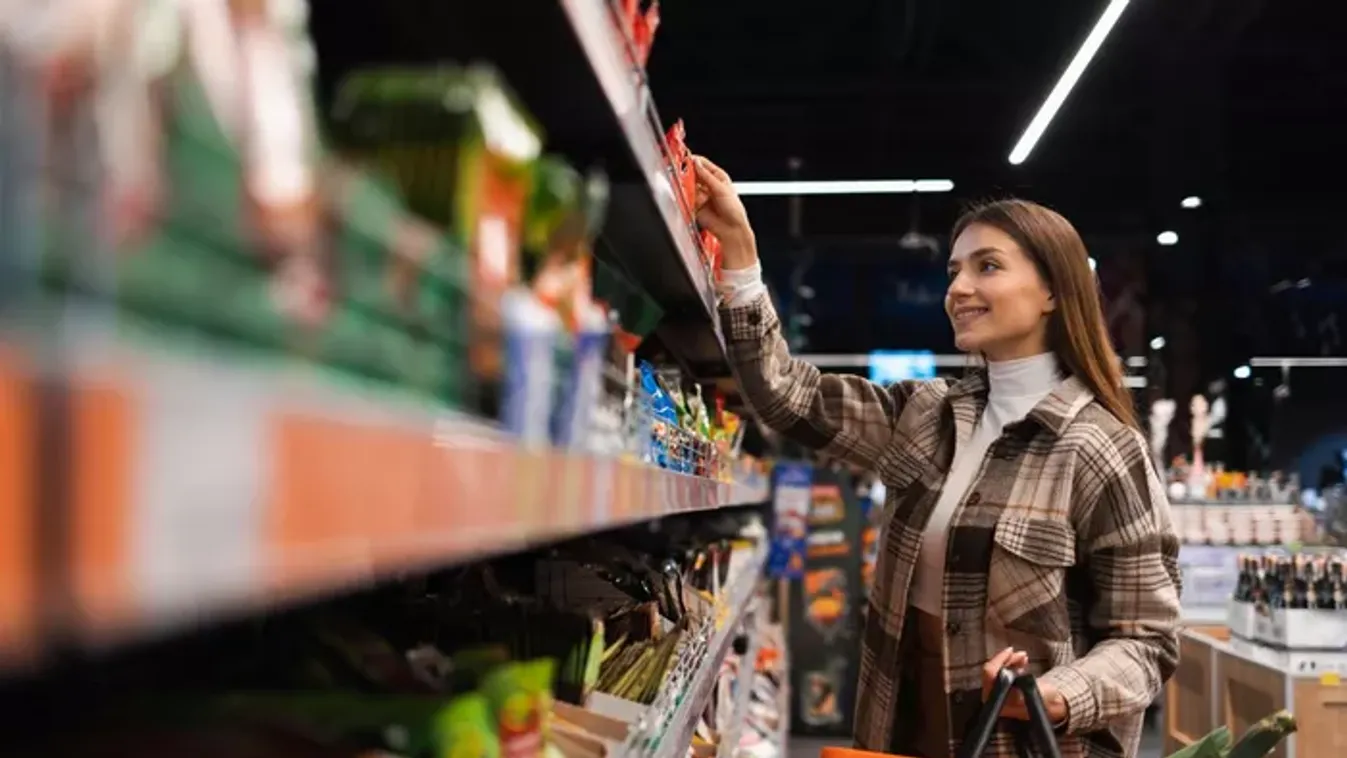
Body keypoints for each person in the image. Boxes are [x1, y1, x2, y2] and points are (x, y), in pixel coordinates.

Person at [692, 156, 1182, 758]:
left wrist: (1061, 691)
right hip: (901, 731)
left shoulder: (1102, 451)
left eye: (988, 267)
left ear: (1054, 289)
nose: (958, 289)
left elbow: (1147, 640)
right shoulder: (925, 415)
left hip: (1014, 740)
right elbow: (786, 394)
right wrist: (739, 251)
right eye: (954, 271)